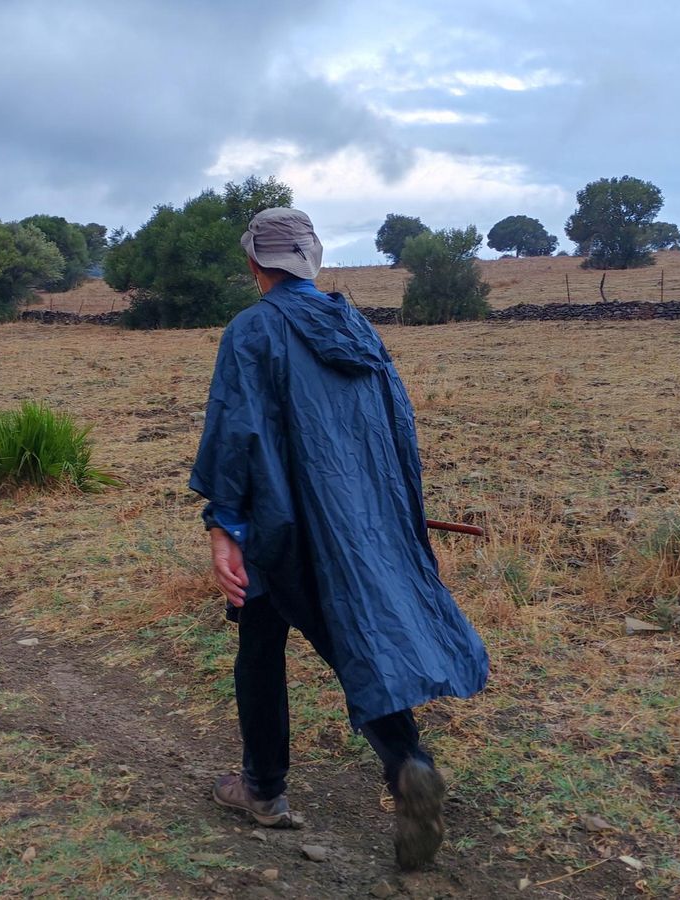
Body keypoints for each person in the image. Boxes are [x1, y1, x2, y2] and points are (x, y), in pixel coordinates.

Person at [190, 208, 489, 870]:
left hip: (279, 529)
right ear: (310, 260)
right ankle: (409, 765)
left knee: (260, 646)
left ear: (253, 265)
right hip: (350, 526)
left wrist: (224, 527)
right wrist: (383, 512)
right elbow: (394, 428)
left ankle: (263, 789)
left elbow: (237, 433)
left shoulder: (252, 331)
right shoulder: (356, 326)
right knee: (354, 643)